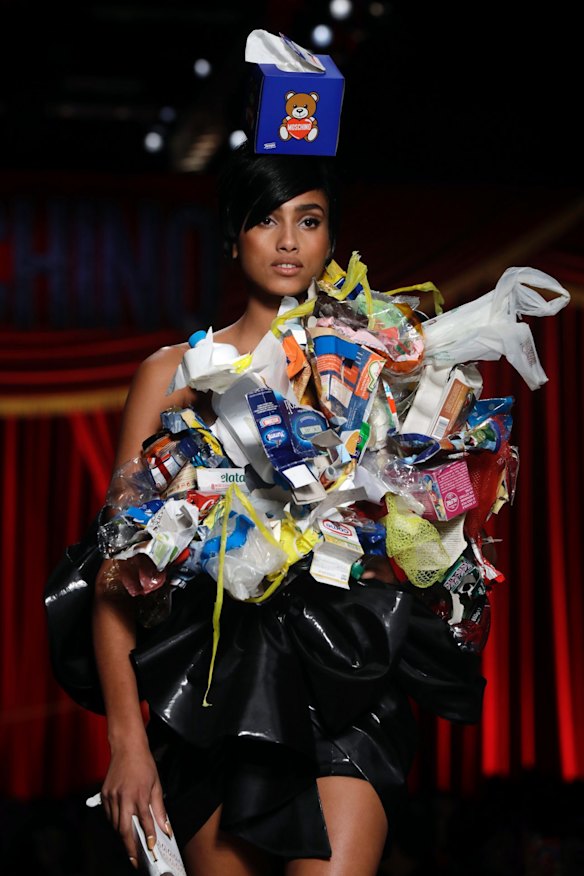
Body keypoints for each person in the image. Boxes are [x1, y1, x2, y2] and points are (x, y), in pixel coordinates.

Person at [64, 141, 486, 876]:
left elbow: (433, 530)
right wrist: (127, 743)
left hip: (345, 679)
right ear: (234, 237)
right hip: (213, 691)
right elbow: (116, 572)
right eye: (266, 218)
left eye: (309, 220)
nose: (289, 240)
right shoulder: (171, 376)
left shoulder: (383, 367)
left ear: (331, 238)